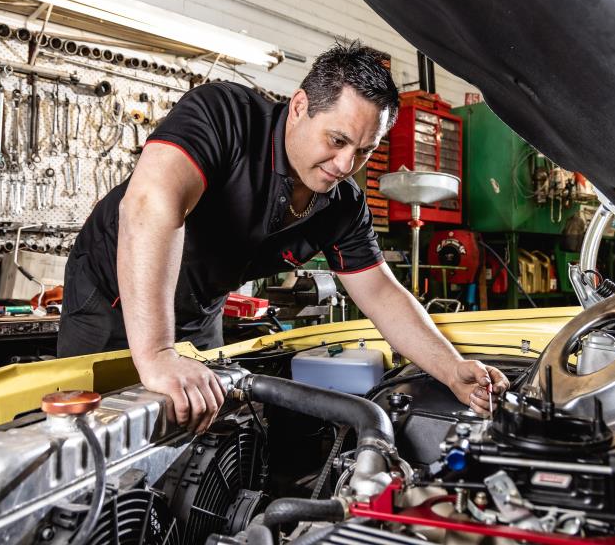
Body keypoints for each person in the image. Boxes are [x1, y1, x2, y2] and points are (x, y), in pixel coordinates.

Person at [58, 41, 509, 434]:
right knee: (99, 432)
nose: (345, 164)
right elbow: (151, 206)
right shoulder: (223, 115)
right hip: (113, 295)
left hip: (200, 308)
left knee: (200, 426)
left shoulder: (342, 205)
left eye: (364, 152)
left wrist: (452, 369)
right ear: (298, 107)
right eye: (337, 140)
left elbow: (380, 292)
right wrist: (157, 353)